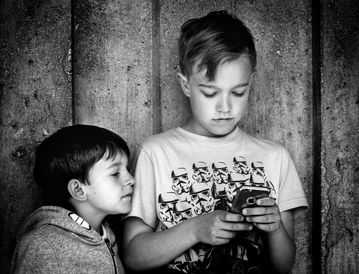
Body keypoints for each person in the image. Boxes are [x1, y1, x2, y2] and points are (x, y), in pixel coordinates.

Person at [123, 10, 308, 274]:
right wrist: (195, 229)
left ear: (251, 83)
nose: (224, 107)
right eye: (210, 93)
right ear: (185, 85)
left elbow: (284, 265)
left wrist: (275, 227)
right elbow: (132, 256)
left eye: (238, 92)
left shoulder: (275, 157)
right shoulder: (154, 153)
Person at [11, 125, 135, 274]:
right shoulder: (43, 247)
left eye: (127, 169)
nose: (131, 179)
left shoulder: (106, 236)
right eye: (115, 173)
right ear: (78, 189)